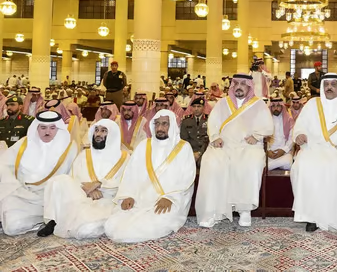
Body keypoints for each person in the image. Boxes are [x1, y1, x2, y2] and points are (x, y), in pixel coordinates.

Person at [104, 110, 196, 243]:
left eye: (164, 124)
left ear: (172, 126)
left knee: (151, 224)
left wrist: (170, 197)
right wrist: (128, 195)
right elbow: (131, 174)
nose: (160, 128)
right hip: (140, 198)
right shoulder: (144, 145)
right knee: (112, 224)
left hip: (169, 200)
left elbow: (187, 177)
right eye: (157, 124)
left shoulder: (183, 147)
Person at [291, 73, 337, 232]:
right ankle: (312, 216)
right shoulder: (312, 104)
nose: (329, 87)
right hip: (315, 147)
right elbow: (300, 124)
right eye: (326, 84)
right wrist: (300, 134)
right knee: (304, 165)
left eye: (333, 84)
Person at [196, 74, 273, 228]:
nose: (238, 87)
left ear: (249, 86)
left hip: (248, 146)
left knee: (250, 164)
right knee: (211, 163)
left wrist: (257, 136)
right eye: (236, 83)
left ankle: (244, 210)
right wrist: (215, 137)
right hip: (224, 145)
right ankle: (213, 211)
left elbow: (268, 126)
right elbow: (213, 123)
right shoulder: (222, 103)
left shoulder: (258, 104)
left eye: (243, 84)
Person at [39, 119, 129, 238]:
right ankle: (52, 221)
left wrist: (99, 184)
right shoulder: (84, 155)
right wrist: (87, 189)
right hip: (81, 195)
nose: (98, 134)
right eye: (96, 130)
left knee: (84, 229)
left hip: (106, 200)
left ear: (112, 135)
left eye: (103, 131)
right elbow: (74, 177)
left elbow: (126, 182)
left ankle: (64, 219)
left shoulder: (124, 157)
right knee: (58, 180)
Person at [0, 111, 76, 236]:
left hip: (49, 198)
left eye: (52, 128)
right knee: (12, 227)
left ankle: (52, 218)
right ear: (36, 127)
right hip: (22, 193)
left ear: (58, 128)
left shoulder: (69, 147)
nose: (47, 132)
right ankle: (45, 220)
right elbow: (4, 163)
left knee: (62, 183)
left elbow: (73, 174)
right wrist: (14, 184)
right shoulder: (23, 143)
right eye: (43, 127)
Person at [180, 98, 209, 165]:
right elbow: (184, 139)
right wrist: (191, 153)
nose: (196, 109)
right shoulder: (186, 121)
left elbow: (209, 139)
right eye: (194, 106)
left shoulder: (209, 119)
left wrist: (200, 153)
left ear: (203, 107)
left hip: (205, 151)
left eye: (199, 106)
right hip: (190, 151)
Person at [267, 98, 294, 171]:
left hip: (284, 152)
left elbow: (291, 138)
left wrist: (283, 150)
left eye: (278, 106)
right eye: (273, 106)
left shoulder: (289, 119)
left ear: (282, 107)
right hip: (269, 153)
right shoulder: (266, 119)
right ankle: (271, 165)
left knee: (288, 162)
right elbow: (262, 138)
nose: (276, 108)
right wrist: (268, 151)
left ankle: (267, 167)